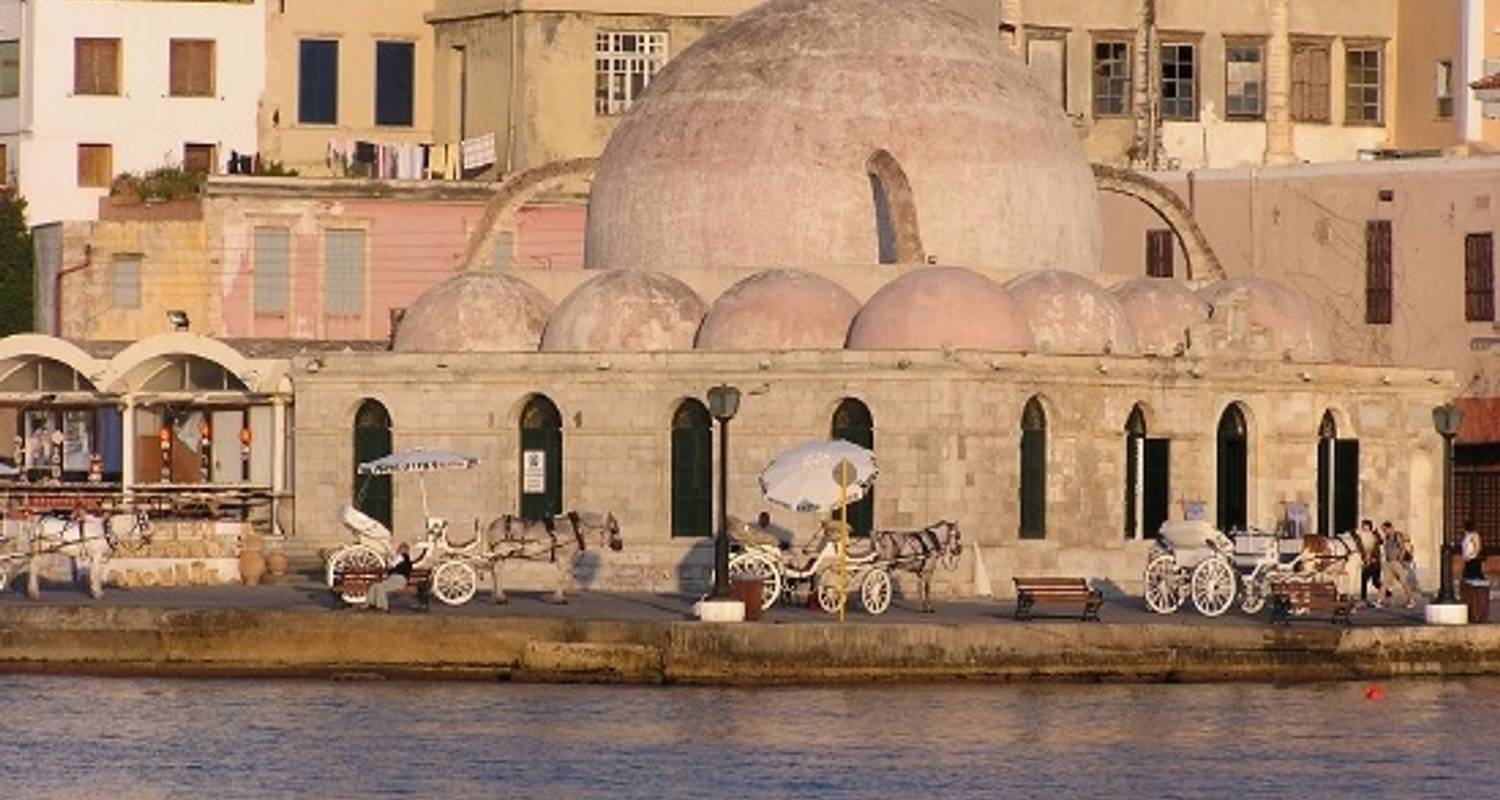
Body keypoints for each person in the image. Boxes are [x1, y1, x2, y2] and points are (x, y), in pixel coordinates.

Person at [1378, 521, 1416, 609]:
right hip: (1388, 562)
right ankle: (1380, 600)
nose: (1384, 531)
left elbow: (1402, 548)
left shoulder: (1397, 536)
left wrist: (1400, 559)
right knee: (1385, 582)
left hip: (1396, 562)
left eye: (1385, 529)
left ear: (1390, 528)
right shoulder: (1387, 537)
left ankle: (1411, 600)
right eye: (1383, 530)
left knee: (1404, 582)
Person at [367, 542, 412, 613]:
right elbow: (392, 567)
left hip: (398, 579)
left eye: (399, 549)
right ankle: (370, 604)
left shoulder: (402, 557)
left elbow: (391, 566)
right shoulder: (405, 559)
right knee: (375, 585)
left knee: (380, 587)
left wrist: (388, 559)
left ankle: (383, 607)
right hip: (396, 579)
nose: (397, 551)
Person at [1356, 519, 1382, 606]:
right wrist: (1364, 558)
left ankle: (1387, 593)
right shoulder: (1362, 537)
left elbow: (1377, 548)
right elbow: (1361, 549)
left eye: (1365, 526)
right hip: (1367, 562)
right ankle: (1363, 599)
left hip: (1375, 562)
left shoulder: (1374, 536)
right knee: (1363, 579)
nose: (1363, 528)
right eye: (1363, 526)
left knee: (1375, 582)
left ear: (1369, 527)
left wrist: (1373, 558)